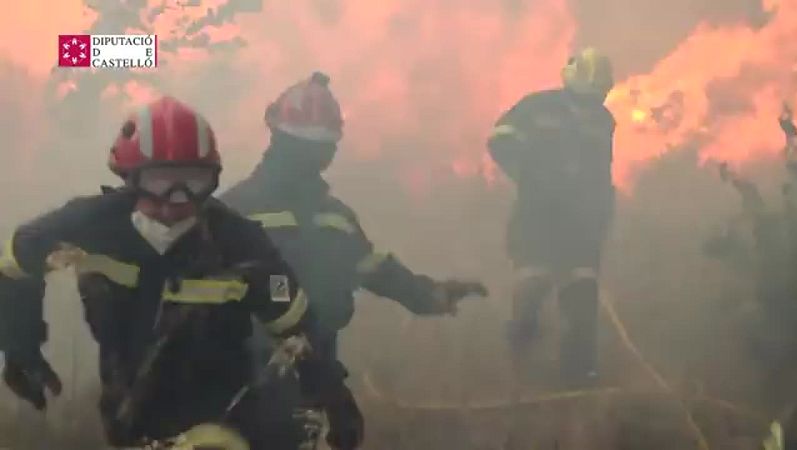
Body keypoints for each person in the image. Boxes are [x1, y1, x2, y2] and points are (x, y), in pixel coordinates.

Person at [0, 96, 348, 449]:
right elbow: (16, 261)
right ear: (129, 178)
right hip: (130, 420)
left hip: (234, 418)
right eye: (159, 181)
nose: (175, 201)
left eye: (192, 182)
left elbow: (296, 322)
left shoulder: (241, 244)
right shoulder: (89, 227)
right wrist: (20, 343)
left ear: (211, 182)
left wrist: (333, 392)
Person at [220, 71, 488, 447]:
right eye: (305, 146)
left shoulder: (334, 217)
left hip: (318, 371)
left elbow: (372, 268)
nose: (315, 157)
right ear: (279, 140)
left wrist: (430, 295)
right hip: (246, 375)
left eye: (322, 147)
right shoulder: (234, 211)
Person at [487, 47, 616, 385]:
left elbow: (602, 172)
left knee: (582, 297)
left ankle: (579, 377)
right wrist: (529, 176)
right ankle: (519, 370)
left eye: (597, 98)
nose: (591, 106)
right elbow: (499, 139)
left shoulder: (604, 121)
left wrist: (602, 212)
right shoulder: (537, 107)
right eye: (587, 97)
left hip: (581, 227)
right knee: (533, 286)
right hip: (537, 218)